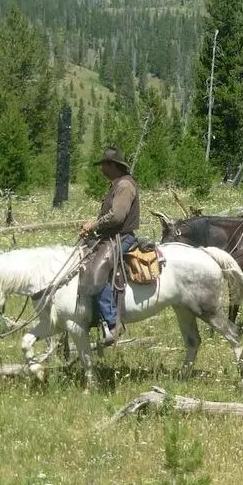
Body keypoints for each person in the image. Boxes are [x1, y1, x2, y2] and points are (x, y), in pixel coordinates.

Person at [80, 147, 140, 346]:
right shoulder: (118, 184)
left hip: (121, 238)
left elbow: (117, 216)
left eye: (104, 165)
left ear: (113, 165)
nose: (101, 169)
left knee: (96, 273)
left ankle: (113, 323)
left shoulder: (124, 185)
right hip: (111, 237)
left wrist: (94, 225)